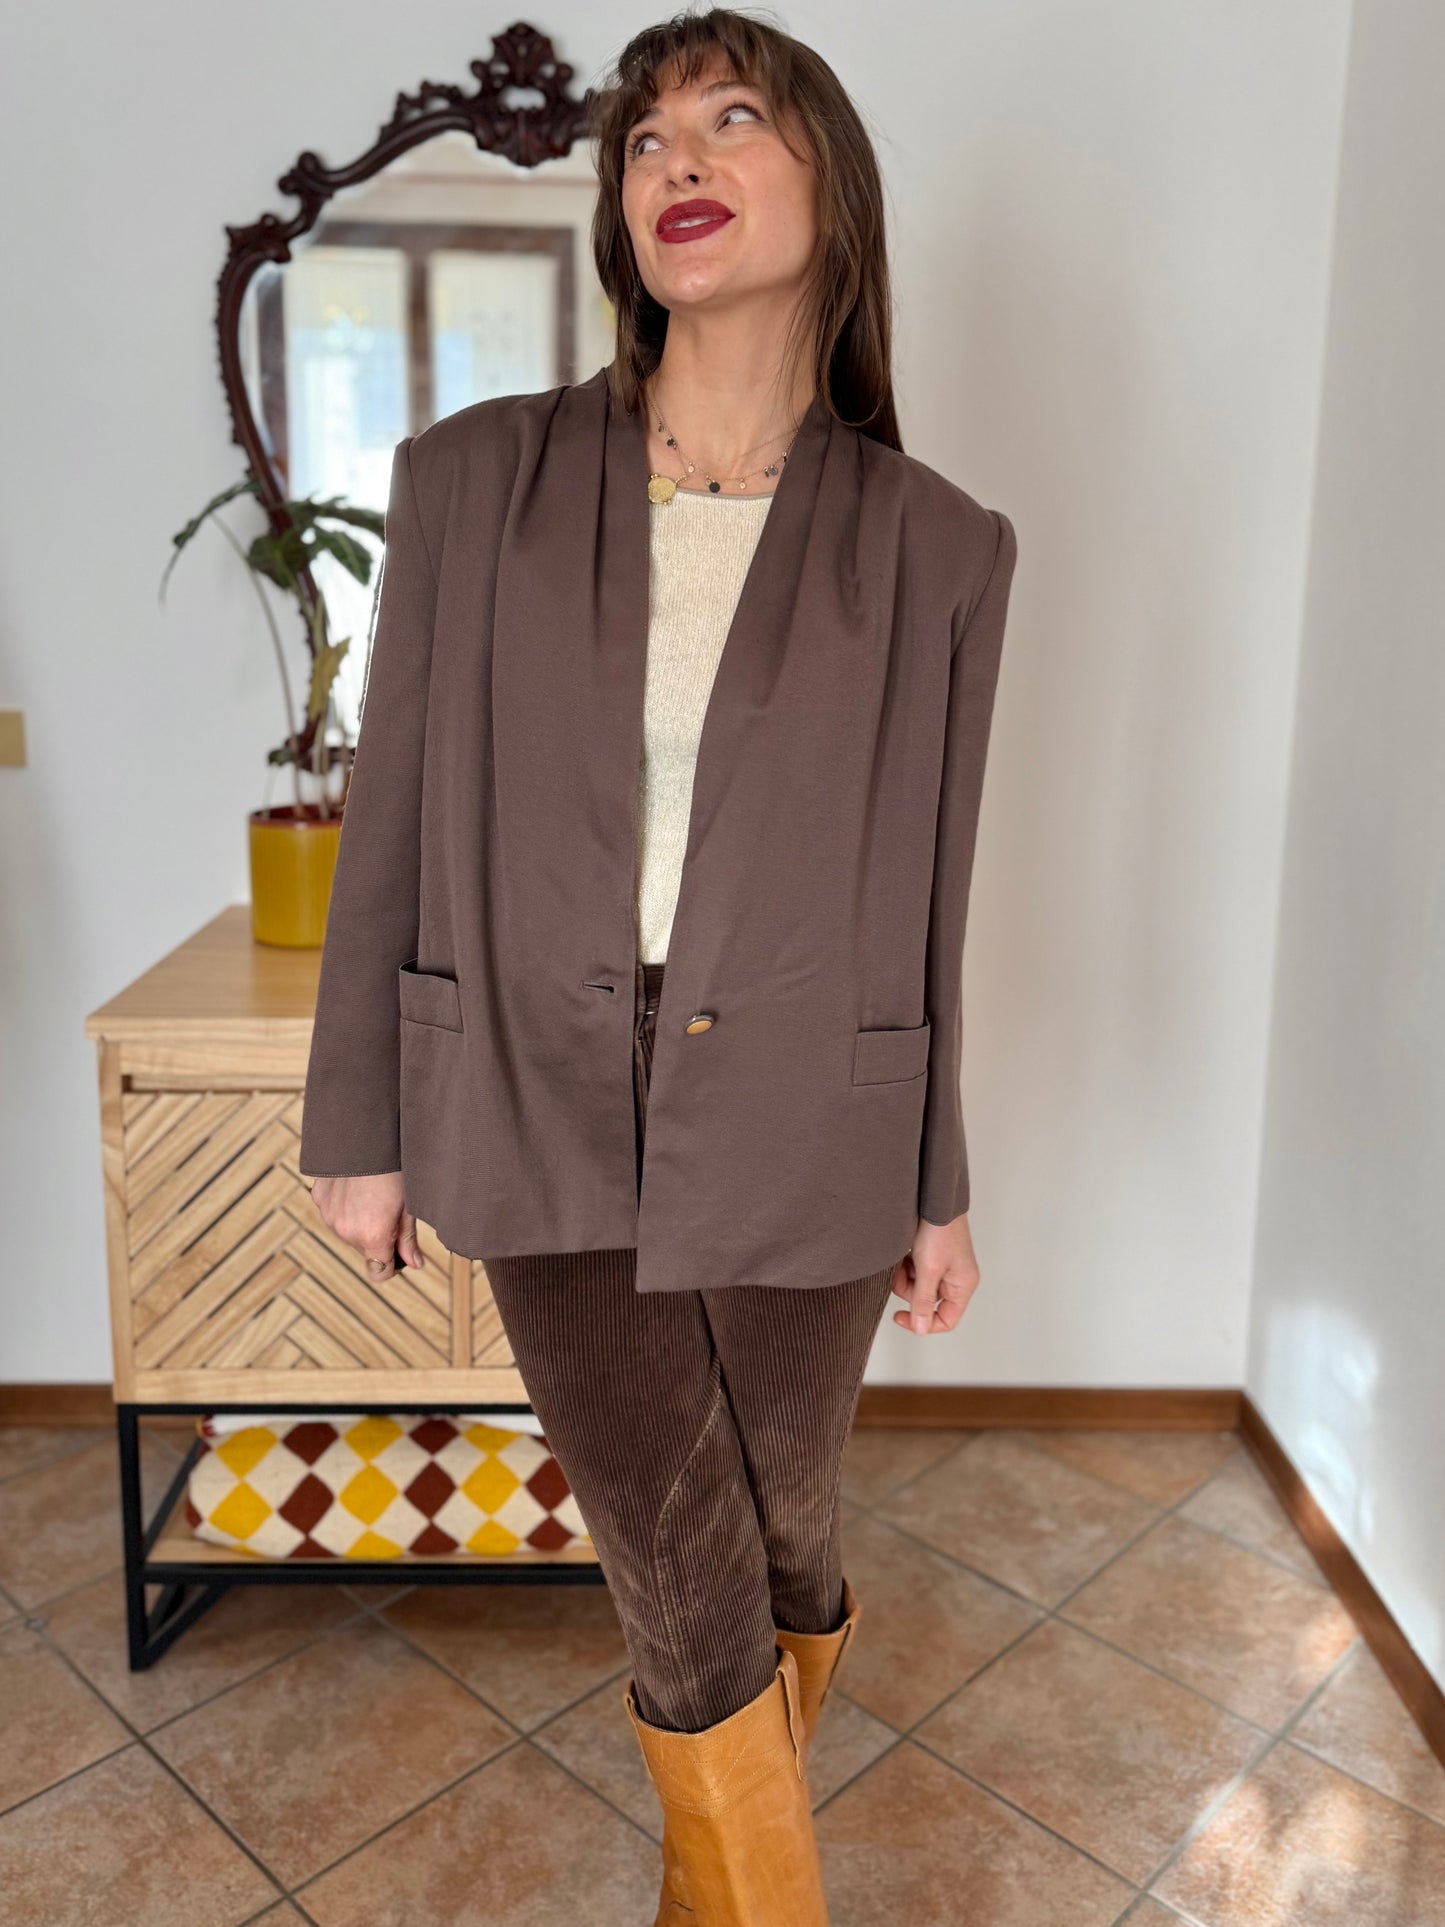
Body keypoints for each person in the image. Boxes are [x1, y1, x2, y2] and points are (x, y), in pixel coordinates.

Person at [302, 8, 1018, 1920]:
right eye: (642, 145)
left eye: (731, 121)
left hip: (812, 1110)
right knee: (670, 1537)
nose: (675, 163)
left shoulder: (938, 546)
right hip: (533, 1092)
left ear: (829, 185)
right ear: (617, 216)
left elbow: (929, 887)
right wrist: (356, 1123)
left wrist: (934, 1184)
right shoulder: (472, 484)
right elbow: (391, 818)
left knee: (786, 1529)